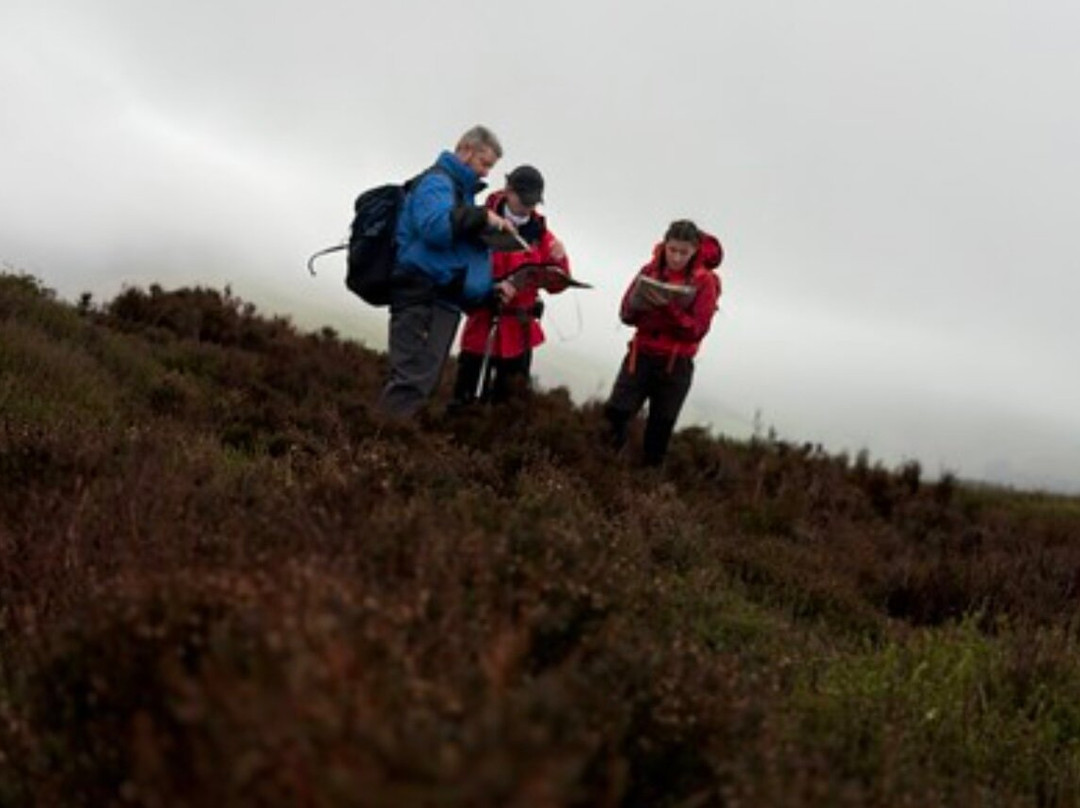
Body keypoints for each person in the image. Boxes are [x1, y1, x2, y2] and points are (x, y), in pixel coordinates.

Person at [377, 125, 517, 418]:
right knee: (410, 381)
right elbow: (435, 229)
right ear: (465, 150)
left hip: (442, 300)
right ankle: (376, 448)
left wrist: (487, 291)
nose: (486, 173)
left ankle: (385, 446)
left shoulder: (461, 194)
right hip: (421, 297)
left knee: (421, 382)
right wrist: (481, 218)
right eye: (484, 163)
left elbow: (455, 252)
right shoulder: (437, 183)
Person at [603, 219, 723, 466]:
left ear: (694, 251)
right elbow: (625, 313)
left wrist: (668, 308)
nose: (677, 257)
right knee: (614, 417)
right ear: (665, 245)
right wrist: (641, 306)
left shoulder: (705, 281)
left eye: (684, 252)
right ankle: (603, 471)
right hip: (639, 356)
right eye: (673, 250)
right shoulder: (648, 270)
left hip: (676, 365)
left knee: (659, 433)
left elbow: (697, 330)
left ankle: (646, 489)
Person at [451, 165, 571, 407]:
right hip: (482, 325)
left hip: (520, 335)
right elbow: (460, 262)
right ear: (508, 190)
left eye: (533, 202)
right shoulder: (481, 218)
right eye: (524, 199)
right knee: (464, 401)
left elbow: (559, 284)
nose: (528, 207)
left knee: (508, 408)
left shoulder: (545, 237)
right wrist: (493, 287)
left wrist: (560, 260)